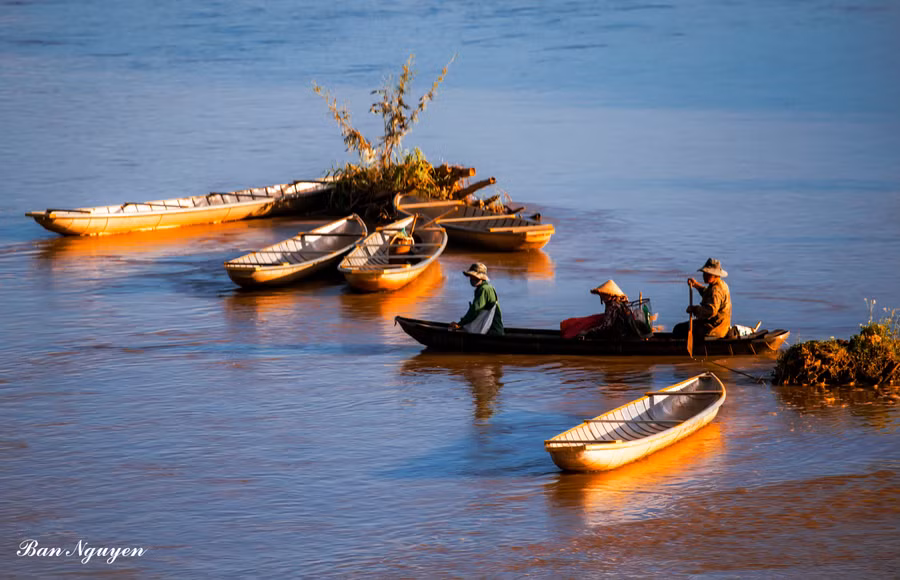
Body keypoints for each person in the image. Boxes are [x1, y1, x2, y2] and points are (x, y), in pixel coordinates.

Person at [673, 258, 732, 339]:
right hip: (720, 326)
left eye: (707, 274)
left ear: (715, 275)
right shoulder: (720, 284)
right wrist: (696, 285)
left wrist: (695, 309)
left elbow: (711, 311)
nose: (704, 276)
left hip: (714, 328)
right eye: (704, 273)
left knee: (678, 329)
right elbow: (708, 294)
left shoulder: (716, 290)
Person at [449, 263, 504, 335]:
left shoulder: (484, 289)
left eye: (474, 277)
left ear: (481, 278)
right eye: (471, 277)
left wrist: (460, 324)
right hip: (490, 329)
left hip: (493, 331)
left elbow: (475, 310)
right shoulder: (486, 287)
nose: (472, 279)